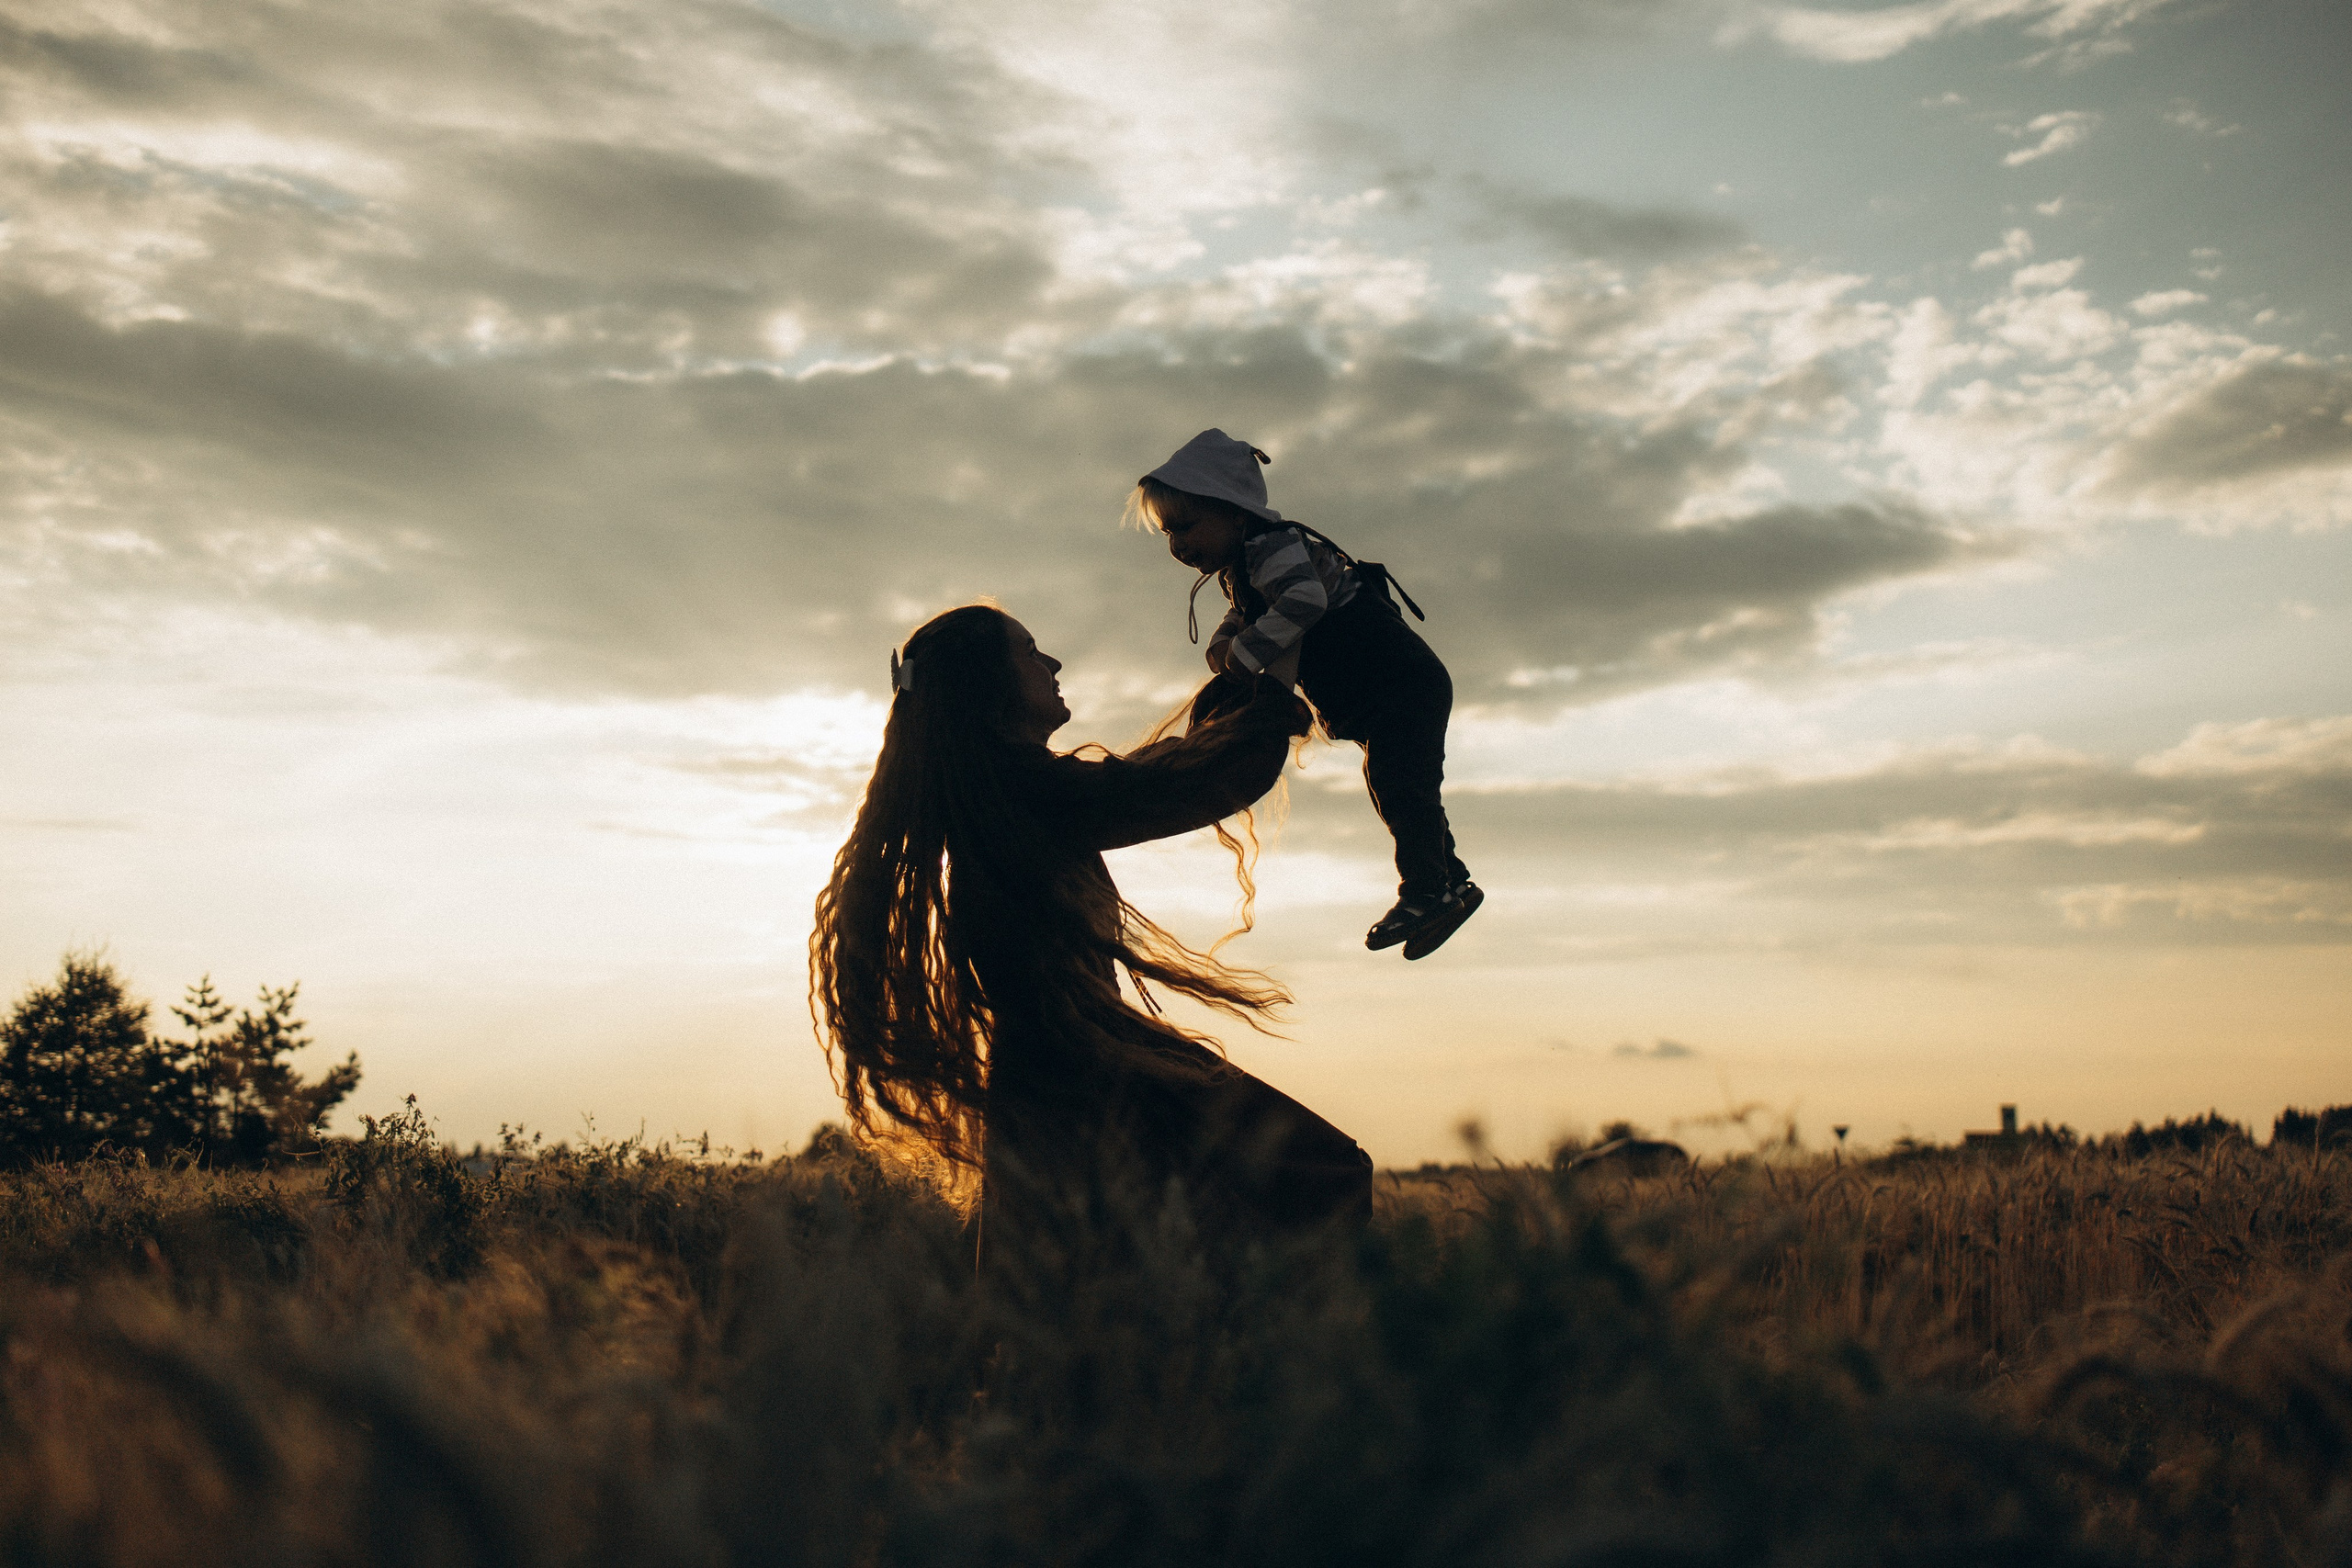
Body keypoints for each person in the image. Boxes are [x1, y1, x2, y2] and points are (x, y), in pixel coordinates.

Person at [810, 604, 1373, 1258]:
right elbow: (1194, 780)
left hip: (1047, 1080)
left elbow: (1166, 774)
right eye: (1029, 650)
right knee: (1321, 1178)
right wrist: (1273, 675)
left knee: (1062, 1307)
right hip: (1084, 1070)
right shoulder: (1026, 793)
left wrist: (1244, 685)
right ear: (989, 683)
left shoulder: (1005, 794)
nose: (1050, 663)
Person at [1130, 428, 1481, 960]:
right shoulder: (1243, 568)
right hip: (1381, 693)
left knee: (1401, 786)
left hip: (1398, 682)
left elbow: (1302, 601)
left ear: (1234, 512)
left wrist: (1243, 659)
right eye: (1168, 535)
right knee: (1402, 787)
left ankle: (1426, 892)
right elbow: (1248, 614)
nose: (1178, 545)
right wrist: (1225, 645)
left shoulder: (1272, 547)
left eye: (1186, 526)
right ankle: (1451, 884)